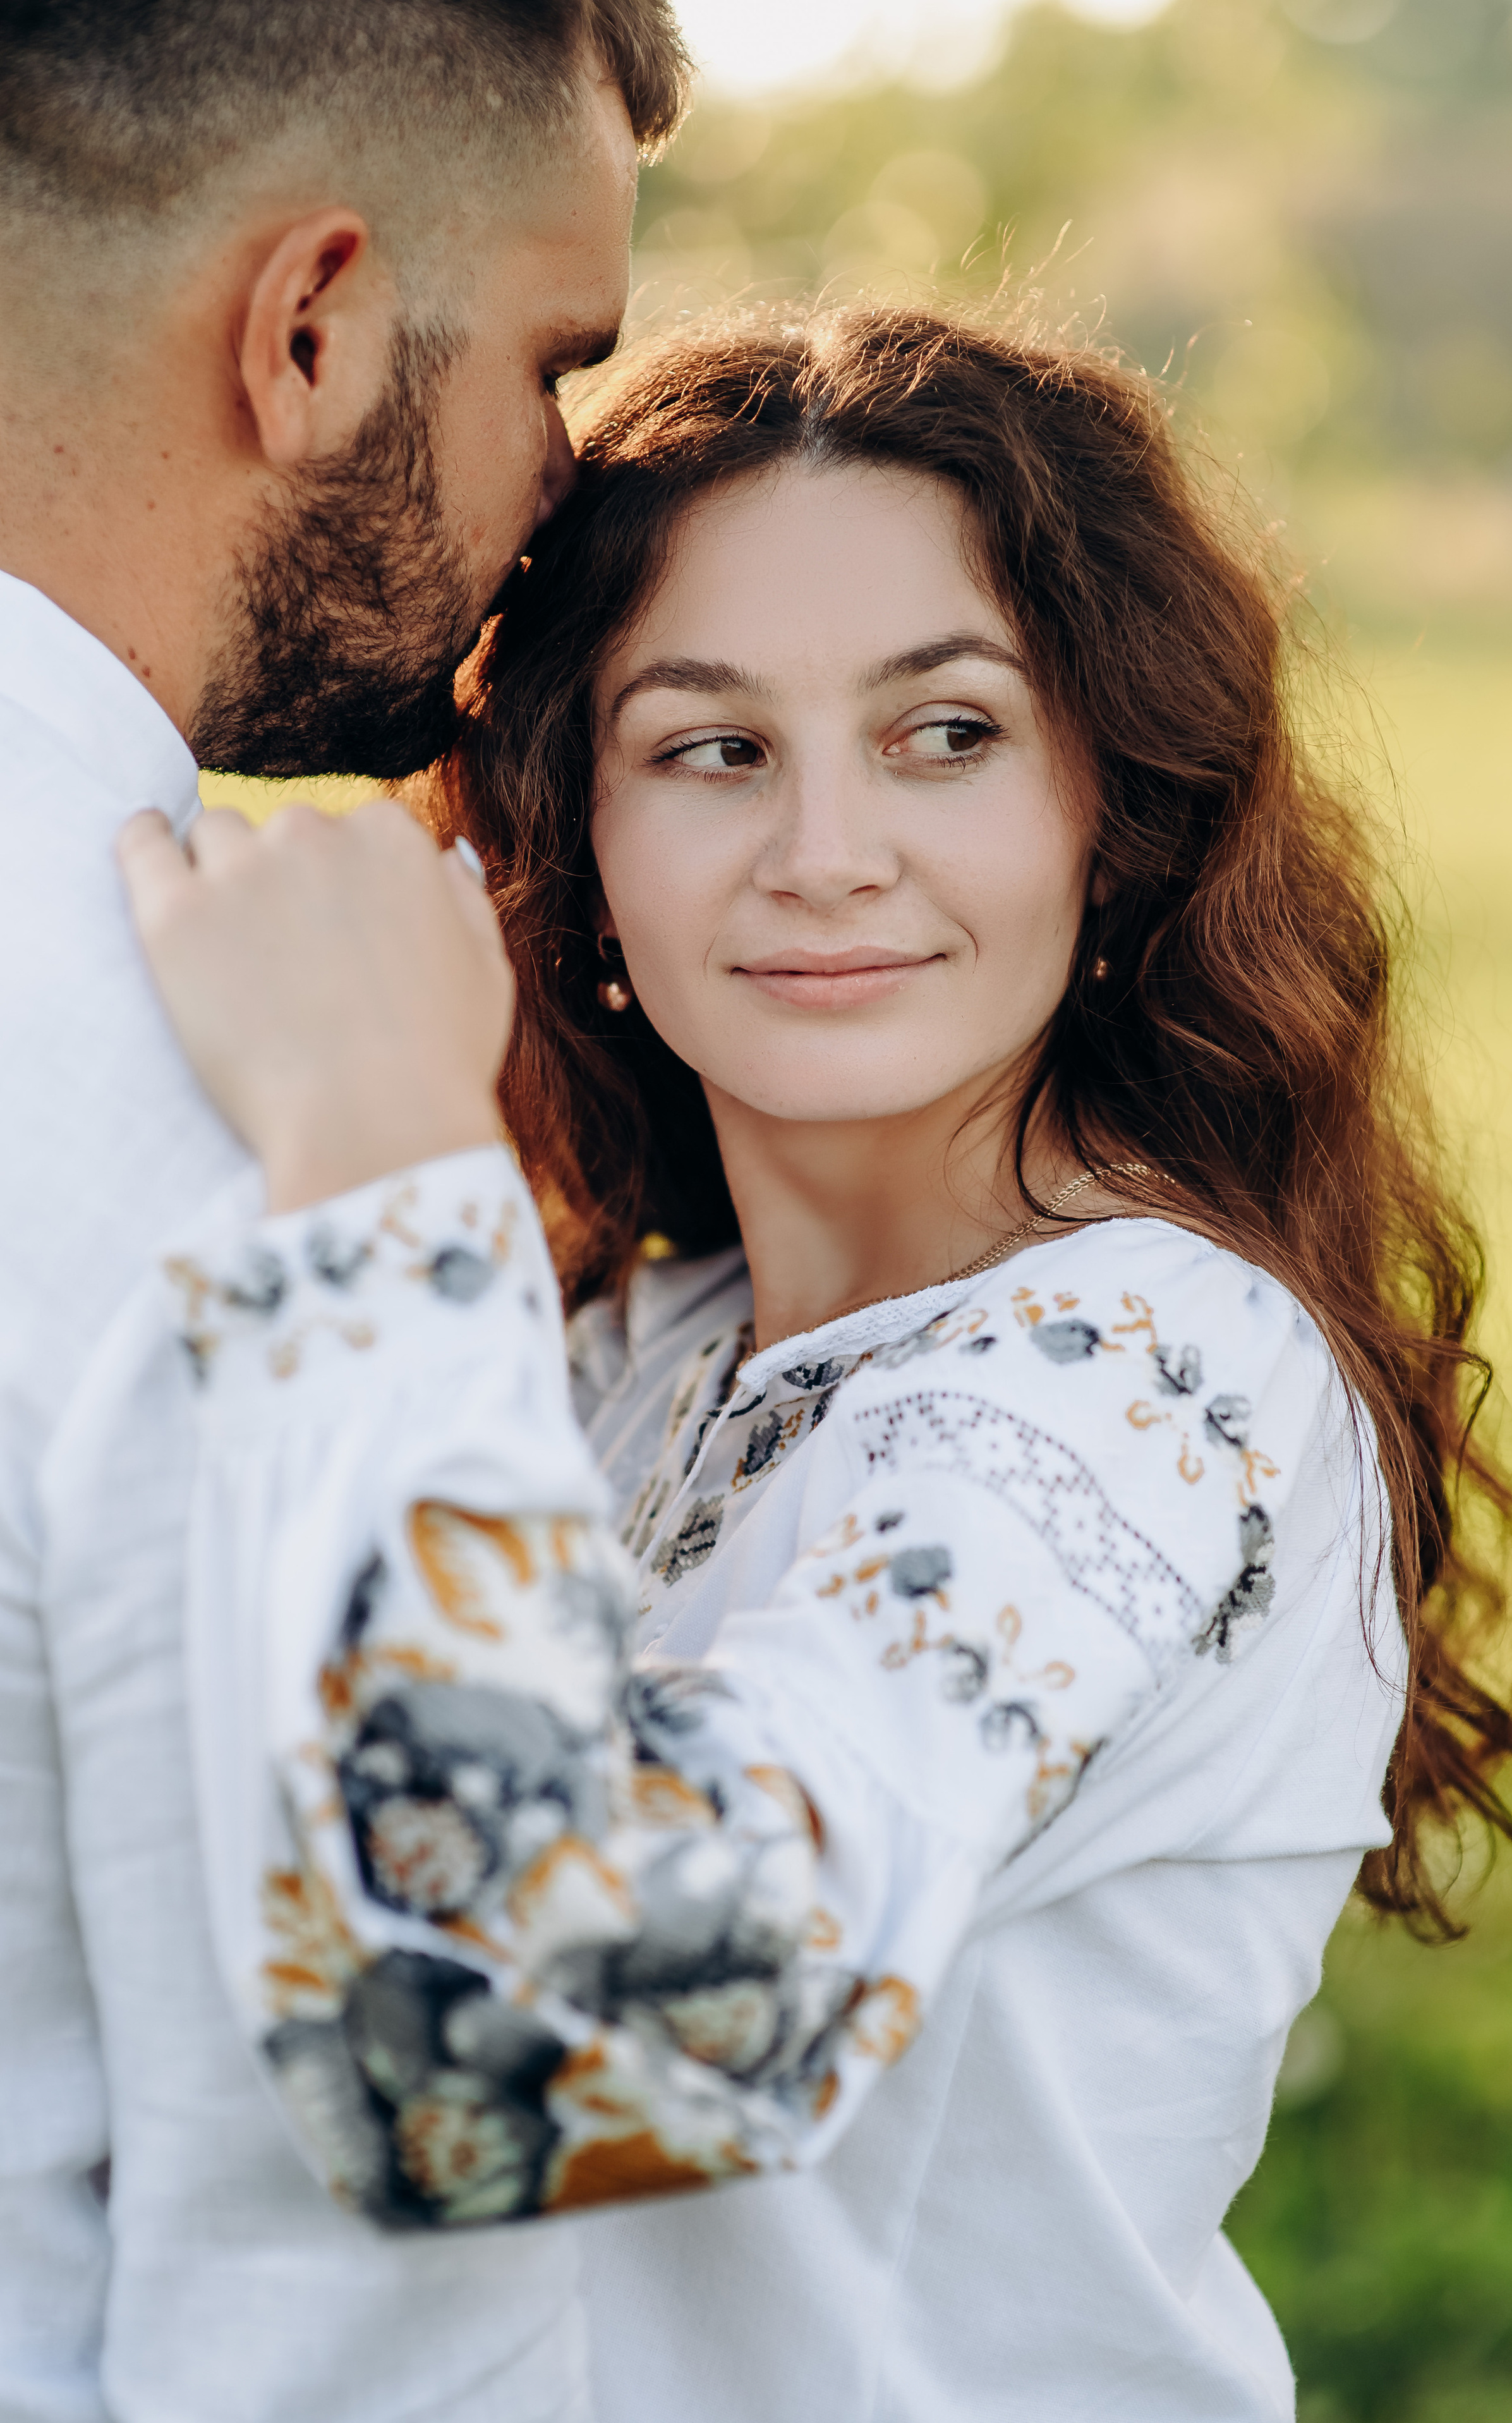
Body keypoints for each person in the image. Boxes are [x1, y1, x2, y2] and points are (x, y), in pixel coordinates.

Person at [121, 308, 1512, 2422]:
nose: (825, 854)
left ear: (1114, 807)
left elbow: (566, 2065)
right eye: (714, 747)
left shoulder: (1153, 1368)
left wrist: (375, 1154)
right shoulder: (641, 1346)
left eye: (945, 733)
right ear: (576, 837)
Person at [0, 4, 689, 2419]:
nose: (567, 481)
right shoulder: (275, 1127)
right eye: (552, 364)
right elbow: (377, 2267)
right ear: (309, 327)